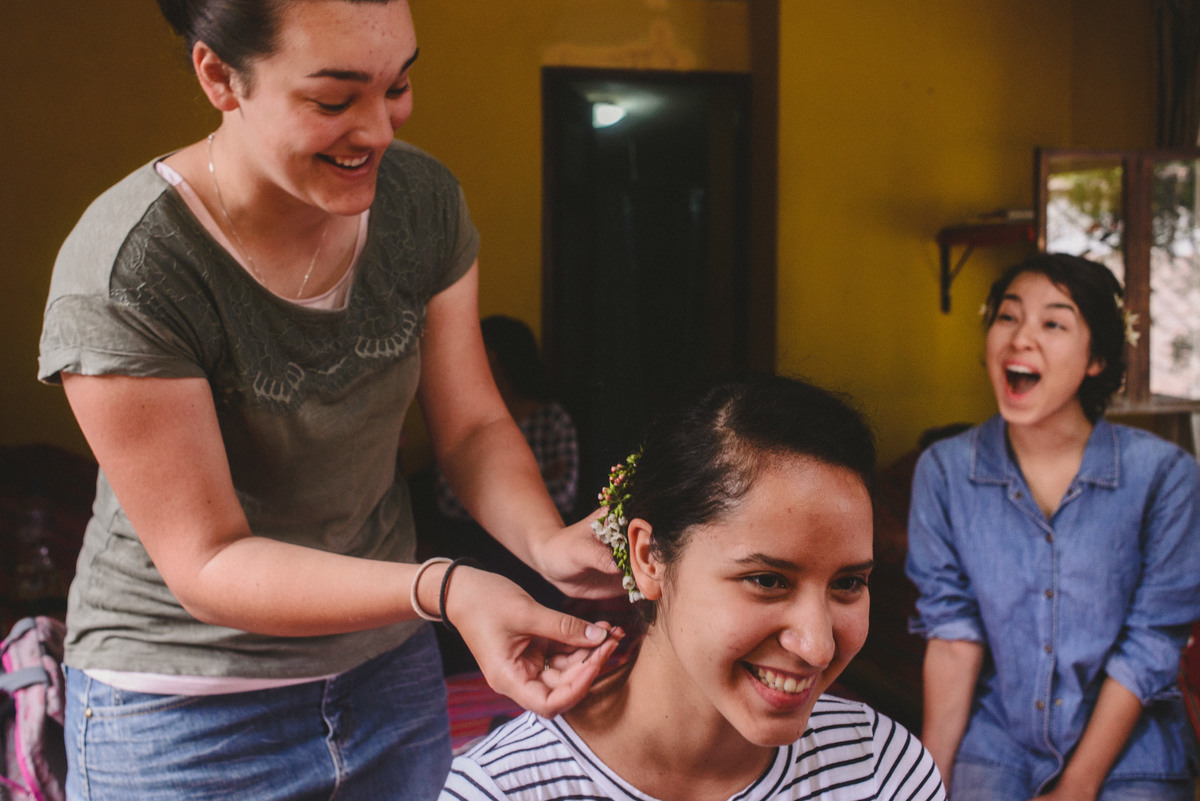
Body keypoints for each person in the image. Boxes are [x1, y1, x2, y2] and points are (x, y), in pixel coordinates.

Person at [36, 1, 623, 799]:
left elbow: (477, 425)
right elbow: (209, 561)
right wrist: (446, 587)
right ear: (220, 76)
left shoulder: (421, 203)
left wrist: (546, 543)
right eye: (334, 99)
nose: (379, 129)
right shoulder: (132, 269)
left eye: (399, 86)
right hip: (186, 709)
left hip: (386, 671)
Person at [441, 373, 947, 801]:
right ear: (649, 558)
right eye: (767, 580)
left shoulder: (885, 772)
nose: (816, 646)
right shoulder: (498, 792)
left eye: (849, 583)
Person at [906, 253, 1200, 800]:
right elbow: (952, 636)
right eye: (1008, 316)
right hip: (997, 745)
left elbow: (1152, 644)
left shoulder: (1165, 476)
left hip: (1134, 752)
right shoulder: (944, 471)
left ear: (1096, 359)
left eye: (1053, 323)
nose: (1021, 339)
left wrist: (1078, 785)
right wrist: (927, 784)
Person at [434, 314, 579, 522]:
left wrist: (483, 489)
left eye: (477, 351)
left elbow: (564, 495)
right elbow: (448, 499)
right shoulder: (461, 421)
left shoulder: (552, 420)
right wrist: (536, 484)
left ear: (494, 358)